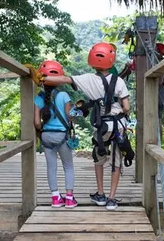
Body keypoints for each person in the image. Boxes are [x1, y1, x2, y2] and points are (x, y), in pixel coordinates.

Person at [38, 42, 132, 211]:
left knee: (99, 158)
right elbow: (126, 107)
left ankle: (101, 195)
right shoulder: (118, 82)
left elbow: (64, 79)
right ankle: (111, 199)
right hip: (118, 125)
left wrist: (41, 78)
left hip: (102, 126)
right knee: (116, 161)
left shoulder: (87, 79)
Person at [33, 60, 78, 209]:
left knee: (51, 167)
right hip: (62, 136)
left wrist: (41, 131)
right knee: (68, 167)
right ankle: (70, 199)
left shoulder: (38, 98)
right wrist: (74, 115)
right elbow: (68, 116)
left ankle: (55, 198)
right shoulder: (64, 95)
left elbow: (37, 123)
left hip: (46, 136)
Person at [154, 43, 164, 139]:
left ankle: (157, 142)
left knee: (156, 120)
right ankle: (158, 142)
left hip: (159, 96)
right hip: (162, 96)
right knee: (157, 120)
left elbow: (159, 81)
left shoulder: (159, 63)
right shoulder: (160, 62)